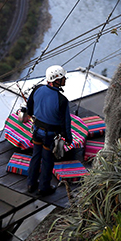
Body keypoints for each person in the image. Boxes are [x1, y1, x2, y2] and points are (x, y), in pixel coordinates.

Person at [22, 65, 73, 196]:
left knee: (35, 156)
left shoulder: (38, 89)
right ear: (56, 80)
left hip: (37, 130)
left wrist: (33, 114)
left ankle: (31, 184)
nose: (65, 79)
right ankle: (43, 187)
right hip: (50, 135)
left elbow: (29, 106)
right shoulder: (62, 100)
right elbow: (65, 122)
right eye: (63, 77)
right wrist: (68, 138)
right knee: (47, 160)